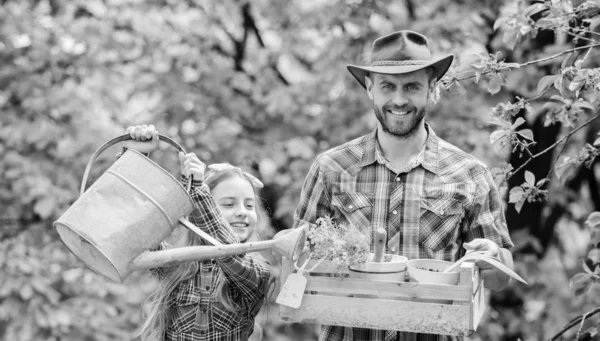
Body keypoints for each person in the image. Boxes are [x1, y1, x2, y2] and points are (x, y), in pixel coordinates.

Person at [292, 30, 515, 341]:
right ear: (370, 88)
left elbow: (499, 279)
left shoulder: (470, 174)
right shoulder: (331, 168)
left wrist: (492, 257)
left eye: (411, 86)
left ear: (432, 89)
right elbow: (297, 260)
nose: (398, 100)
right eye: (387, 86)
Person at [123, 125, 274, 341]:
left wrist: (198, 188)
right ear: (201, 209)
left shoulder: (257, 273)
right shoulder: (178, 265)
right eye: (229, 204)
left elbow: (227, 250)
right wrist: (135, 157)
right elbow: (139, 226)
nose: (242, 212)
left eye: (249, 206)